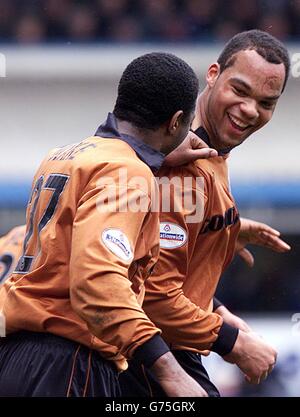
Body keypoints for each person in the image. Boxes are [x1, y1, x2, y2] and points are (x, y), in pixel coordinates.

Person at [0, 52, 211, 397]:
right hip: (69, 364)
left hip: (16, 358)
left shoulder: (65, 155)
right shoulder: (127, 173)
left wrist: (154, 159)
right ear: (176, 122)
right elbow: (97, 281)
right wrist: (170, 371)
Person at [119, 30, 291, 397]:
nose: (249, 110)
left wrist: (221, 233)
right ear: (213, 74)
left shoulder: (209, 153)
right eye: (240, 91)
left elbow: (160, 267)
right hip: (146, 358)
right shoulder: (183, 167)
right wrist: (232, 342)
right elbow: (149, 295)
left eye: (266, 102)